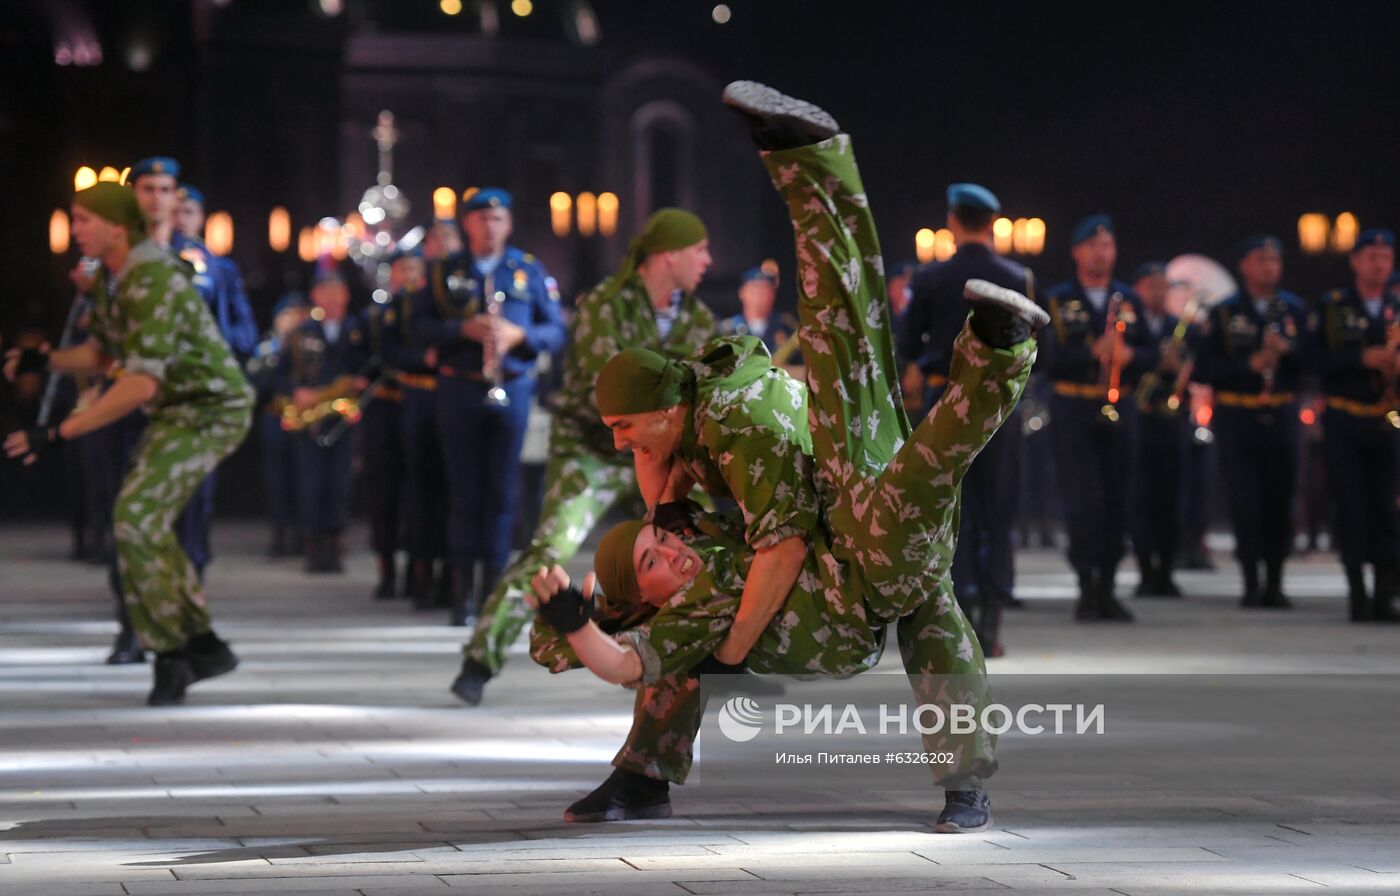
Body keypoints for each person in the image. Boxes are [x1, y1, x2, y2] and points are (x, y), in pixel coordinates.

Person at [529, 80, 1046, 832]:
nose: (667, 544)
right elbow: (617, 630)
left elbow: (782, 545)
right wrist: (584, 610)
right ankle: (644, 775)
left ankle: (987, 337)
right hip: (846, 549)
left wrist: (729, 646)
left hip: (848, 529)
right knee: (867, 385)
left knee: (857, 368)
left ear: (670, 412)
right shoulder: (687, 507)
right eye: (654, 555)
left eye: (626, 425)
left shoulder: (739, 427)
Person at [448, 208, 717, 705]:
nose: (708, 260)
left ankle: (714, 658)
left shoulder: (697, 317)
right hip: (592, 448)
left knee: (701, 546)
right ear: (669, 254)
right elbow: (612, 385)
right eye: (699, 249)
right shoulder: (605, 305)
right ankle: (479, 659)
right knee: (549, 549)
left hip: (661, 454)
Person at [4, 181, 253, 705]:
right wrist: (45, 359)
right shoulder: (112, 279)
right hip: (176, 411)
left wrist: (58, 432)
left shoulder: (152, 275)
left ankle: (177, 651)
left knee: (136, 517)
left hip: (211, 409)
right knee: (137, 520)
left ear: (117, 226)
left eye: (83, 220)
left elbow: (140, 382)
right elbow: (101, 353)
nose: (75, 231)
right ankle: (196, 644)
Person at [410, 189, 567, 626]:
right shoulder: (443, 272)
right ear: (468, 225)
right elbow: (418, 327)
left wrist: (520, 337)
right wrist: (462, 329)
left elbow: (556, 330)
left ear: (508, 224)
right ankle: (462, 592)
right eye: (481, 219)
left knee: (502, 492)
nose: (489, 227)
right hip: (459, 389)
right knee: (463, 492)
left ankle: (494, 591)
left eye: (497, 219)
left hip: (511, 388)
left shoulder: (527, 270)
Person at [899, 182, 1036, 656]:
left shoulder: (931, 277)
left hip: (947, 400)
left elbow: (906, 346)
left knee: (949, 509)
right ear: (991, 222)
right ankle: (993, 619)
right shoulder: (1017, 275)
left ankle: (954, 614)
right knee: (998, 508)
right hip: (1000, 404)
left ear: (953, 221)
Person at [1038, 215, 1158, 621]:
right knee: (1083, 501)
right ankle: (1086, 585)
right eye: (1092, 245)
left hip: (1120, 406)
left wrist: (1131, 356)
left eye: (1107, 246)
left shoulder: (1128, 299)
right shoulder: (1056, 299)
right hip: (1074, 406)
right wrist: (1090, 352)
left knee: (1118, 499)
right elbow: (1044, 358)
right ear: (1076, 252)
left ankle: (1108, 585)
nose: (1100, 253)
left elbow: (1153, 354)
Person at [1192, 236, 1305, 608]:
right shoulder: (1224, 312)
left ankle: (1276, 580)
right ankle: (1251, 581)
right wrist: (1248, 366)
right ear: (1244, 265)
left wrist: (1289, 352)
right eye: (1261, 259)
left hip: (1283, 412)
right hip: (1238, 415)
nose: (1270, 266)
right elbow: (1205, 367)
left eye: (1275, 259)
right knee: (1246, 501)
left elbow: (1317, 361)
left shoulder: (1293, 310)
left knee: (1280, 500)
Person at [1306, 228, 1399, 621]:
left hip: (1389, 420)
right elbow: (1311, 359)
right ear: (1356, 262)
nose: (1379, 263)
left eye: (1385, 257)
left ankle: (1385, 593)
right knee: (1351, 506)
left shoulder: (1397, 306)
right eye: (1371, 256)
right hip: (1346, 418)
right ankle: (1357, 594)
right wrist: (1359, 359)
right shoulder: (1333, 307)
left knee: (1388, 508)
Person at [275, 271, 365, 573]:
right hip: (310, 417)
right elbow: (278, 374)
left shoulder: (358, 330)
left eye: (337, 291)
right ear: (315, 296)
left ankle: (335, 543)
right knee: (310, 483)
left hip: (344, 416)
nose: (331, 298)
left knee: (339, 483)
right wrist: (294, 392)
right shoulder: (301, 333)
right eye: (325, 291)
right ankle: (313, 546)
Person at [1128, 261, 1191, 598]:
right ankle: (1145, 570)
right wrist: (1151, 359)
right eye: (1152, 285)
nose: (1159, 292)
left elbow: (1196, 370)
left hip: (1171, 422)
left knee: (1171, 499)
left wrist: (1177, 367)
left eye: (1163, 286)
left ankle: (1166, 570)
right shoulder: (1131, 325)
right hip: (1138, 419)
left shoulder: (1177, 327)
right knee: (1140, 500)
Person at [245, 292, 309, 559]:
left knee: (304, 477)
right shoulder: (266, 347)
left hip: (306, 417)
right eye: (287, 315)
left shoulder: (309, 343)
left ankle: (303, 533)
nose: (292, 320)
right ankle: (280, 533)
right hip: (276, 415)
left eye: (298, 314)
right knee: (277, 479)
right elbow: (255, 382)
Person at [719, 264, 802, 377]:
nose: (759, 296)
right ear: (742, 293)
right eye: (754, 290)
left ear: (773, 294)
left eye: (765, 290)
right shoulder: (727, 329)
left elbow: (805, 367)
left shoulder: (787, 326)